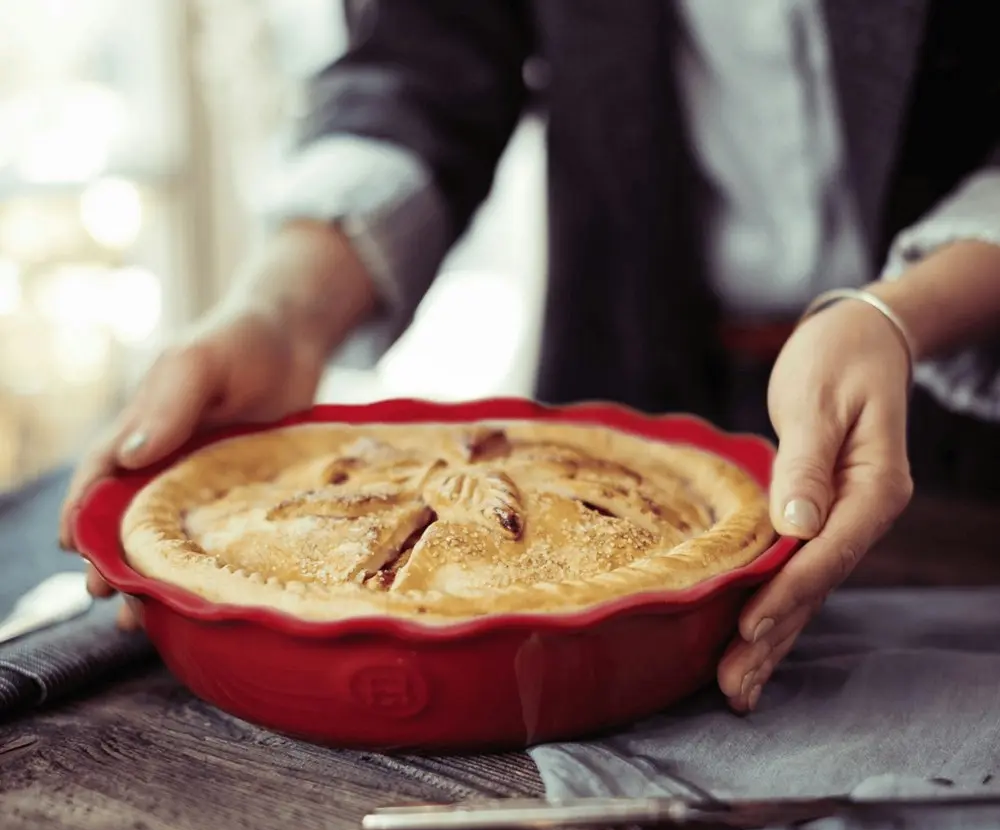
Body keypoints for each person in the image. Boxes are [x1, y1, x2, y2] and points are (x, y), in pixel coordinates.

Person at [60, 0, 1000, 712]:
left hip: (950, 414)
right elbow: (428, 53)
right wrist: (279, 312)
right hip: (628, 371)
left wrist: (900, 312)